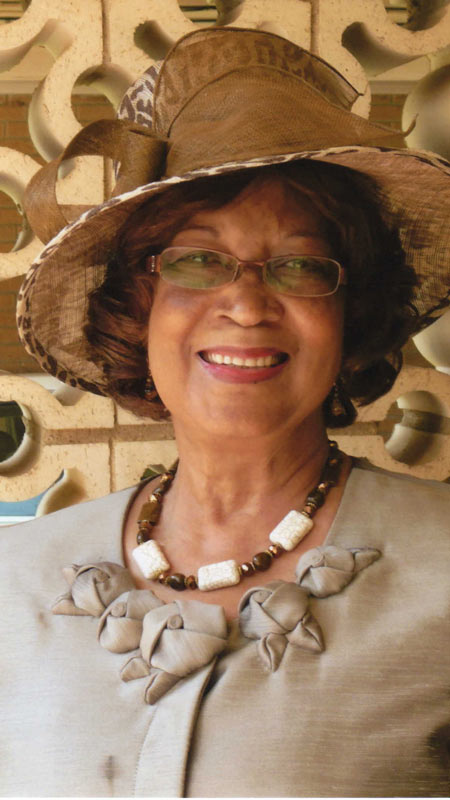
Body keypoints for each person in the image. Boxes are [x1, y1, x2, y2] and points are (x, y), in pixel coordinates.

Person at [1, 26, 449, 797]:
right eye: (199, 260)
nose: (245, 304)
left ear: (349, 317)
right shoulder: (13, 581)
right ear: (138, 311)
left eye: (300, 265)